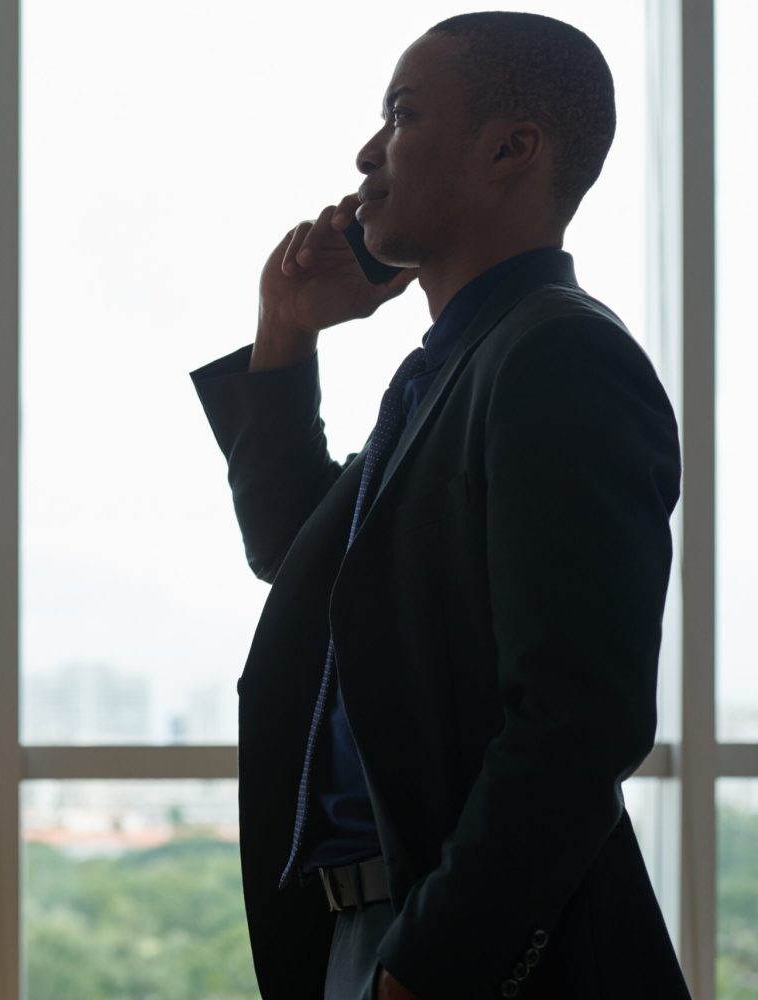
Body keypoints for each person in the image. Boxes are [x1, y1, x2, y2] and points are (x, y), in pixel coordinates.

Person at [192, 12, 689, 1000]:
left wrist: (428, 966)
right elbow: (295, 556)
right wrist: (285, 332)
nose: (366, 152)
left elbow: (576, 723)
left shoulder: (555, 355)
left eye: (400, 116)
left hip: (468, 953)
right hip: (378, 927)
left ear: (511, 148)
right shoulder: (448, 371)